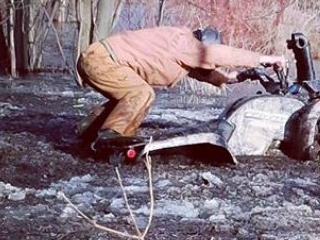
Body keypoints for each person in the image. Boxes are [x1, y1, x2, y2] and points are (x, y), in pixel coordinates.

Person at [76, 25, 285, 148]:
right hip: (101, 60)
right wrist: (263, 58)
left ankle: (88, 132)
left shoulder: (182, 54)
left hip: (98, 58)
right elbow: (218, 55)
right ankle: (108, 140)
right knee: (141, 93)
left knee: (131, 96)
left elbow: (209, 74)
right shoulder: (184, 43)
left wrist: (236, 76)